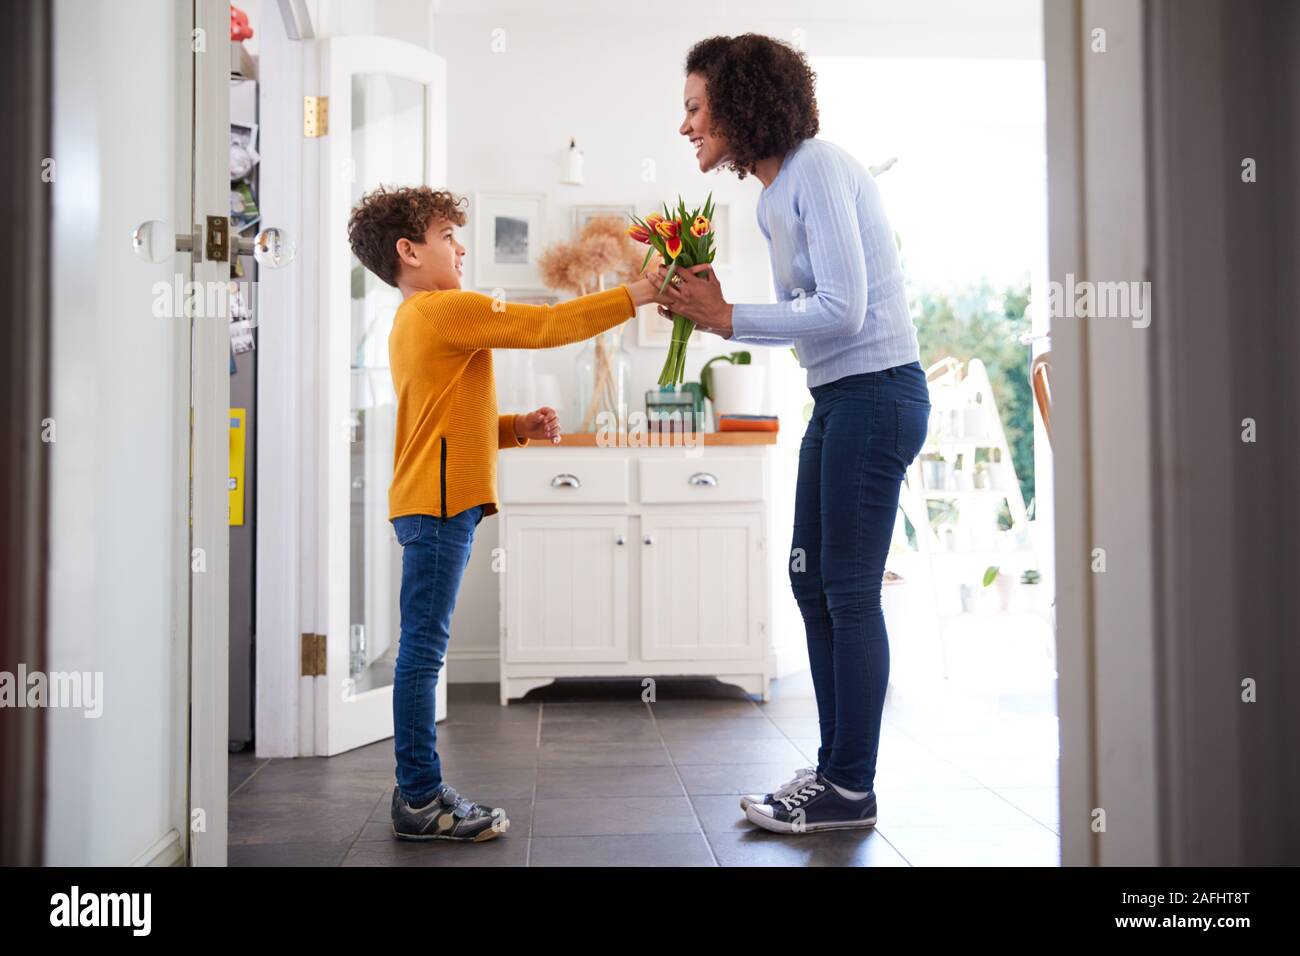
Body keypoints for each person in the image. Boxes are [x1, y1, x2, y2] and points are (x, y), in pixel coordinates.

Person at [650, 34, 932, 834]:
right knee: (812, 583)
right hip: (841, 398)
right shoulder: (776, 194)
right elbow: (817, 319)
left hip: (876, 395)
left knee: (847, 590)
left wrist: (728, 316)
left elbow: (842, 308)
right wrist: (718, 314)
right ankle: (837, 769)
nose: (686, 126)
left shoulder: (822, 168)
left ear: (738, 105)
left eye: (694, 108)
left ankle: (850, 785)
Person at [347, 185, 659, 841]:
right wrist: (638, 292)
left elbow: (448, 421)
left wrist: (517, 425)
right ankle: (420, 800)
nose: (459, 246)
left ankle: (421, 793)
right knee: (423, 655)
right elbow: (544, 327)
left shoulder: (415, 321)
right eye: (445, 236)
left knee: (421, 651)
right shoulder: (442, 310)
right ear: (408, 251)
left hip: (431, 501)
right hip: (437, 506)